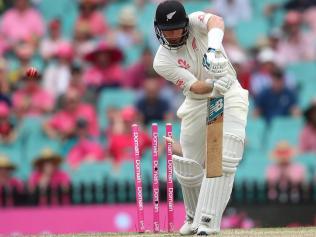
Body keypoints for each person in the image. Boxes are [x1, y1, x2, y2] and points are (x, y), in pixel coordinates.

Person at [153, 1, 249, 235]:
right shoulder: (162, 61)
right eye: (168, 31)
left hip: (230, 92)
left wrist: (214, 49)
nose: (173, 35)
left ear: (186, 23)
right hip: (198, 100)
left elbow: (217, 21)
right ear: (158, 30)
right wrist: (214, 84)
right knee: (190, 164)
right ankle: (193, 217)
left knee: (226, 156)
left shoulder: (197, 20)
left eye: (177, 28)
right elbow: (195, 87)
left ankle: (208, 223)